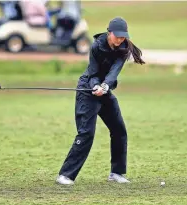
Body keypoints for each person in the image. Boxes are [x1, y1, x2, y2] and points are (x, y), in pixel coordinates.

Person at [56, 17, 145, 185]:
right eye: (117, 36)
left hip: (104, 90)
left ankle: (116, 173)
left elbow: (114, 71)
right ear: (109, 33)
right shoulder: (97, 46)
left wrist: (105, 86)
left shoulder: (124, 48)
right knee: (86, 133)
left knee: (119, 129)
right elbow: (93, 72)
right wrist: (96, 85)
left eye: (123, 36)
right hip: (87, 90)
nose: (120, 39)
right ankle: (65, 175)